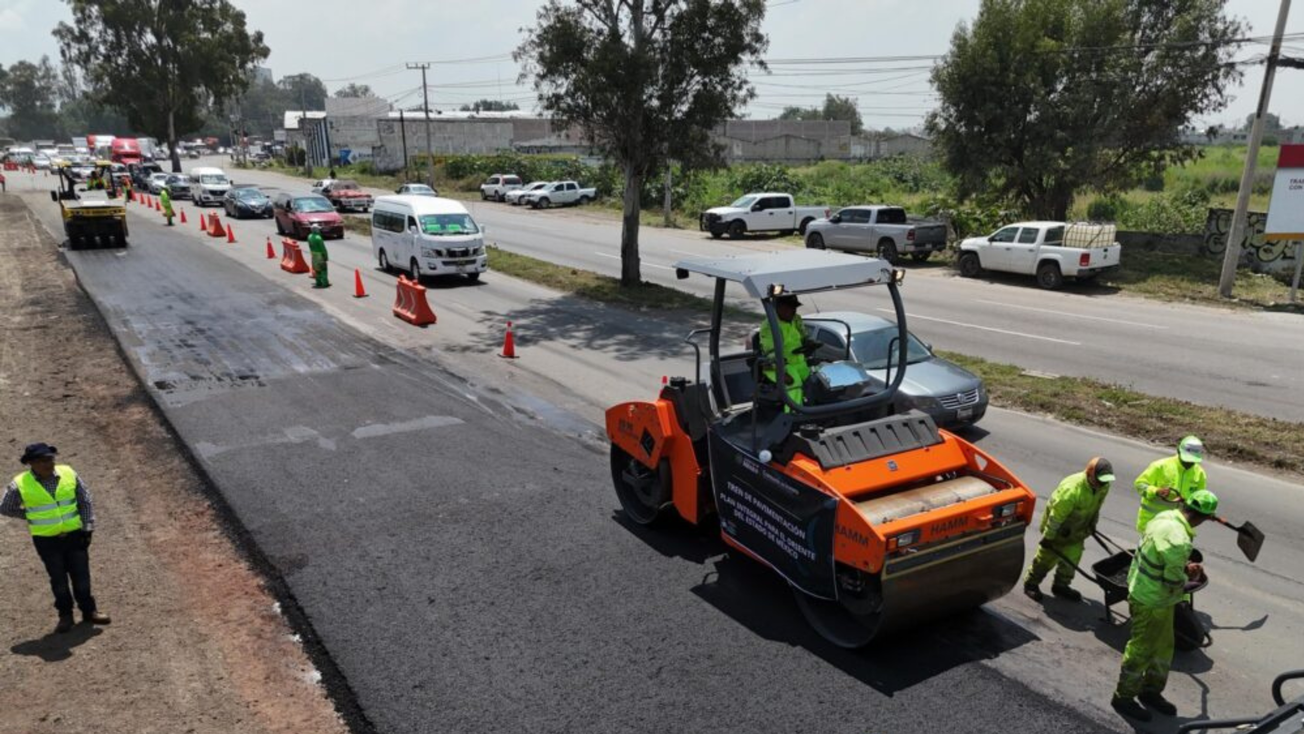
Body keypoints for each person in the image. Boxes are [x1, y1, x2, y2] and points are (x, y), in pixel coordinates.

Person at [1112, 489, 1219, 722]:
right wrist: (1189, 573)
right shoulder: (1179, 541)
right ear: (1202, 518)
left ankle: (1150, 691)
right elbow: (1173, 582)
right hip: (1151, 599)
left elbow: (1162, 558)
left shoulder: (1165, 517)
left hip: (1151, 594)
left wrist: (1181, 566)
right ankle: (1123, 696)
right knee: (1141, 650)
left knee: (1163, 647)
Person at [0, 443, 111, 633]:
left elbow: (85, 500)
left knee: (82, 576)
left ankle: (89, 611)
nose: (48, 464)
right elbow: (5, 507)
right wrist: (30, 516)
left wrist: (87, 528)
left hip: (75, 536)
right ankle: (65, 616)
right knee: (58, 579)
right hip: (46, 540)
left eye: (51, 459)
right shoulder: (19, 484)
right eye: (43, 460)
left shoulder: (68, 473)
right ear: (32, 463)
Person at [1024, 457, 1116, 602]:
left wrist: (1092, 524)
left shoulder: (1104, 486)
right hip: (1057, 531)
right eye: (1100, 480)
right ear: (1089, 474)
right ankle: (1031, 583)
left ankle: (1061, 585)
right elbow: (1056, 517)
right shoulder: (1071, 491)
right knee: (1045, 560)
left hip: (1077, 531)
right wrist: (1048, 537)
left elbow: (1097, 505)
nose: (1102, 484)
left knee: (1071, 560)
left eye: (1105, 481)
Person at [1134, 435, 1207, 533]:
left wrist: (1186, 501)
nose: (1189, 463)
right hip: (1152, 523)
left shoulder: (1199, 474)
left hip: (1177, 529)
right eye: (1186, 459)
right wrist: (1156, 491)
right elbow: (1140, 484)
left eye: (1192, 461)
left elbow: (1199, 500)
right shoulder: (1160, 466)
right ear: (1178, 451)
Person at [758, 294, 819, 409]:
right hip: (777, 366)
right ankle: (794, 415)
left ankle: (815, 408)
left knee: (818, 377)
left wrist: (810, 343)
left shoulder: (795, 319)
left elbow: (804, 336)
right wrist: (782, 373)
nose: (793, 311)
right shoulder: (770, 326)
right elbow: (770, 353)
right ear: (779, 307)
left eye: (795, 308)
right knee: (793, 383)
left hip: (798, 362)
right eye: (790, 308)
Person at [308, 223, 330, 288]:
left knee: (317, 270)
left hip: (313, 255)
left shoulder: (309, 236)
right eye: (318, 229)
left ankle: (318, 282)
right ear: (316, 230)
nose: (319, 230)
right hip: (320, 255)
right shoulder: (318, 238)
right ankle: (325, 283)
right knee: (323, 270)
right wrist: (326, 256)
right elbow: (323, 248)